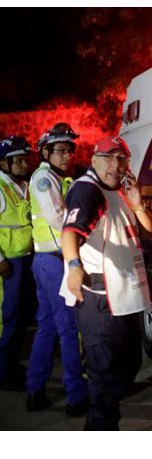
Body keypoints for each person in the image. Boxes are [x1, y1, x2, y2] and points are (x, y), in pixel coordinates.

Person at [60, 136, 152, 431]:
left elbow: (149, 232)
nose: (116, 164)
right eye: (109, 157)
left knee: (127, 368)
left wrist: (138, 205)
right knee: (105, 379)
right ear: (94, 160)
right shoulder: (89, 191)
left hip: (126, 296)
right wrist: (74, 266)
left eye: (122, 158)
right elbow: (70, 233)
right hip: (101, 300)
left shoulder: (121, 191)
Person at [25, 123, 88, 415]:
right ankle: (76, 397)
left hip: (47, 261)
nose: (67, 156)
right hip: (53, 260)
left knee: (48, 326)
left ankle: (35, 390)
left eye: (70, 151)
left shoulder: (58, 177)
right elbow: (59, 218)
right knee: (67, 326)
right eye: (61, 150)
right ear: (46, 151)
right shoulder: (43, 179)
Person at [0, 136, 34, 391]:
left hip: (24, 259)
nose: (25, 164)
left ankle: (11, 365)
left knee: (21, 317)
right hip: (9, 262)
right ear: (4, 163)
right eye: (18, 161)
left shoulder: (21, 184)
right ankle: (4, 373)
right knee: (8, 319)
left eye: (25, 159)